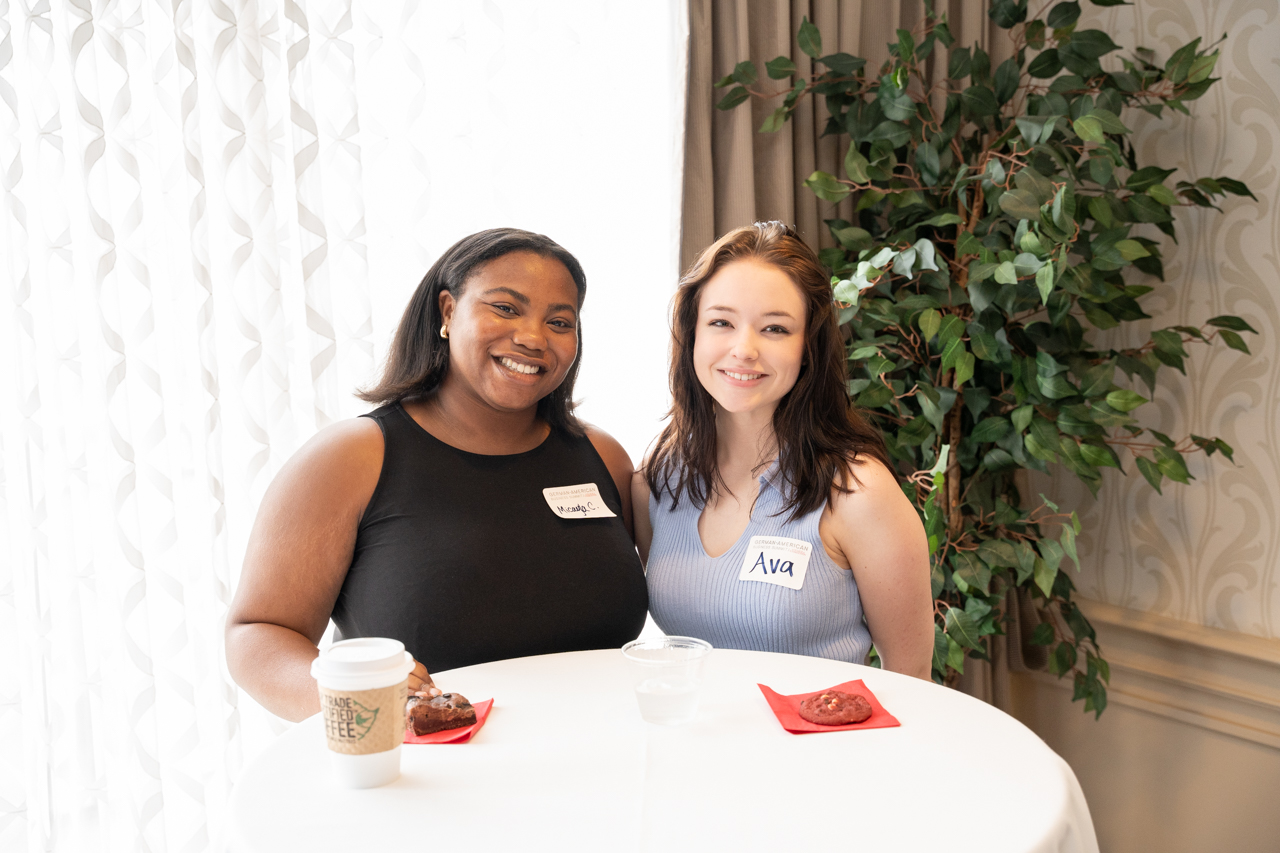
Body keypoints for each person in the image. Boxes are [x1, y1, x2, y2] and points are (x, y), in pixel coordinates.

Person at [226, 228, 648, 722]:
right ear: (448, 312)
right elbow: (257, 633)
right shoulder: (352, 458)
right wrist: (360, 702)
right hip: (428, 777)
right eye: (506, 308)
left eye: (559, 321)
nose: (533, 337)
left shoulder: (603, 455)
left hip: (598, 761)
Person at [633, 222, 932, 679]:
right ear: (692, 332)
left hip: (824, 746)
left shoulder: (859, 493)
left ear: (808, 347)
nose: (744, 349)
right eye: (721, 322)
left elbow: (911, 680)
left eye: (775, 328)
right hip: (692, 743)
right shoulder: (659, 479)